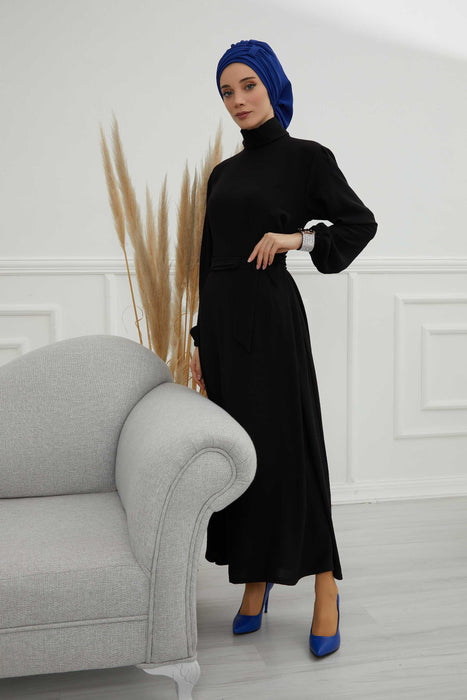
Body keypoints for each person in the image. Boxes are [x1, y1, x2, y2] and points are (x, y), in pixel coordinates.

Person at [189, 39, 377, 656]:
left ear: (272, 85)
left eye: (248, 86)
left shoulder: (306, 159)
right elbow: (205, 259)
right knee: (240, 456)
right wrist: (199, 338)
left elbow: (359, 223)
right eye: (227, 91)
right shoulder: (222, 174)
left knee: (291, 450)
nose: (237, 100)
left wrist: (297, 238)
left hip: (270, 323)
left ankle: (325, 587)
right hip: (222, 326)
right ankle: (255, 578)